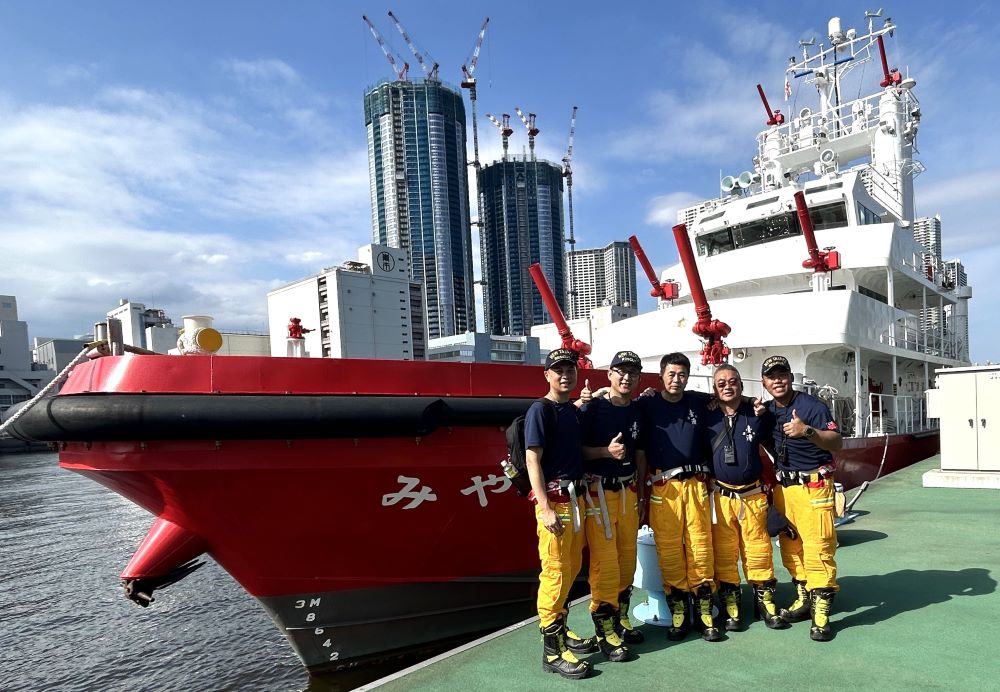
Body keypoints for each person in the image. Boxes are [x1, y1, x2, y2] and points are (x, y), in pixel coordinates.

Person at [636, 352, 721, 642]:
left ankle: (706, 614)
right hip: (663, 488)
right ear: (661, 375)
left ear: (688, 376)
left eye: (682, 374)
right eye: (671, 374)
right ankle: (680, 615)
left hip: (695, 486)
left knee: (701, 548)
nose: (676, 379)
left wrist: (753, 404)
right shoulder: (647, 403)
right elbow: (640, 451)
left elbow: (725, 397)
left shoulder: (698, 400)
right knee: (669, 553)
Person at [761, 355, 843, 641]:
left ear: (791, 378)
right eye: (771, 376)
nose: (777, 380)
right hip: (785, 489)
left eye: (782, 374)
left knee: (818, 547)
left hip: (814, 487)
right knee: (791, 545)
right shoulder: (768, 411)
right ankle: (804, 597)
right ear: (764, 382)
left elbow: (837, 442)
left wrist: (805, 430)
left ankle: (820, 613)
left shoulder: (812, 406)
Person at [704, 364, 789, 631]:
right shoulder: (707, 417)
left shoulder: (756, 414)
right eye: (721, 383)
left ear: (741, 385)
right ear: (714, 390)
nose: (727, 386)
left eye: (733, 381)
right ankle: (732, 606)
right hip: (721, 496)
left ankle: (765, 603)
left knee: (759, 550)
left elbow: (775, 445)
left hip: (752, 496)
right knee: (725, 554)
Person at [525, 348, 592, 679]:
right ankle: (551, 654)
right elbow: (532, 459)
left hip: (576, 501)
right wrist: (545, 506)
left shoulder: (569, 410)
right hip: (556, 503)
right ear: (547, 374)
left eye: (570, 369)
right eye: (558, 369)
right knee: (554, 573)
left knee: (571, 569)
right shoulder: (540, 410)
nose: (565, 374)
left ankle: (562, 633)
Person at [579, 350, 645, 662]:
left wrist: (642, 489)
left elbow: (641, 451)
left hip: (629, 491)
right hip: (600, 494)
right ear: (609, 375)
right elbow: (576, 451)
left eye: (632, 372)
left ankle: (620, 617)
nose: (626, 377)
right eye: (620, 371)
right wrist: (606, 452)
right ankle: (604, 628)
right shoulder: (593, 409)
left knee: (627, 559)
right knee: (605, 563)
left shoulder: (638, 409)